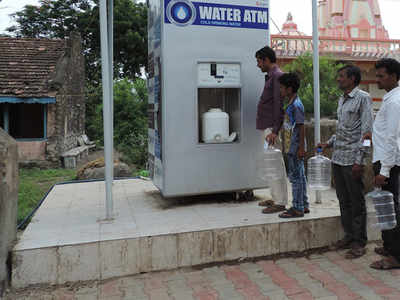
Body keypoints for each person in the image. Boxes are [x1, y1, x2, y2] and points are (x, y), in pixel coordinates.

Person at [319, 65, 373, 259]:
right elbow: (342, 130)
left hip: (352, 160)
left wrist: (360, 160)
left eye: (342, 76)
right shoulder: (342, 99)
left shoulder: (363, 99)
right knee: (344, 200)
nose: (338, 79)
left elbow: (367, 134)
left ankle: (360, 242)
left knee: (356, 202)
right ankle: (349, 236)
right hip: (338, 158)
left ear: (352, 79)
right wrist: (328, 143)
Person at [367, 58, 400, 270]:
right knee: (385, 208)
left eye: (382, 75)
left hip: (388, 163)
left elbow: (393, 138)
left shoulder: (395, 102)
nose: (378, 79)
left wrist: (385, 170)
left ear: (395, 77)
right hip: (382, 159)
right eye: (377, 75)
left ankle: (395, 256)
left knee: (390, 209)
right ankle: (389, 247)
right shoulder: (390, 99)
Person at [255, 46, 288, 214]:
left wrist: (275, 130)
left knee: (275, 165)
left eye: (259, 61)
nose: (258, 65)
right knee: (271, 164)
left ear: (267, 60)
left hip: (271, 128)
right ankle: (276, 197)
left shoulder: (277, 76)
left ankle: (281, 202)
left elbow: (278, 105)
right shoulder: (271, 76)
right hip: (267, 127)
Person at [277, 73, 309, 218]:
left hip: (295, 147)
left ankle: (297, 207)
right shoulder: (291, 103)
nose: (280, 91)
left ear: (289, 89)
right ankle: (303, 204)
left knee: (296, 177)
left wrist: (301, 148)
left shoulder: (296, 105)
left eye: (282, 88)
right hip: (292, 146)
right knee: (300, 176)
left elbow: (301, 126)